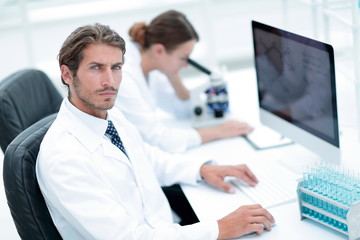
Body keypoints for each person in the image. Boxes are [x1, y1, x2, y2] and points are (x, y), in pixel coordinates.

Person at [36, 23, 275, 239]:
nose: (109, 81)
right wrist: (219, 229)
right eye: (96, 68)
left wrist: (201, 169)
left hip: (166, 227)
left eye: (116, 67)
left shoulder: (109, 114)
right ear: (67, 74)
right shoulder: (64, 159)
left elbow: (146, 158)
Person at [115, 10, 253, 153]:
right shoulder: (124, 77)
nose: (186, 65)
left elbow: (183, 110)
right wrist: (219, 131)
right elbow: (160, 140)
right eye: (183, 58)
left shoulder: (151, 64)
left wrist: (173, 74)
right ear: (159, 50)